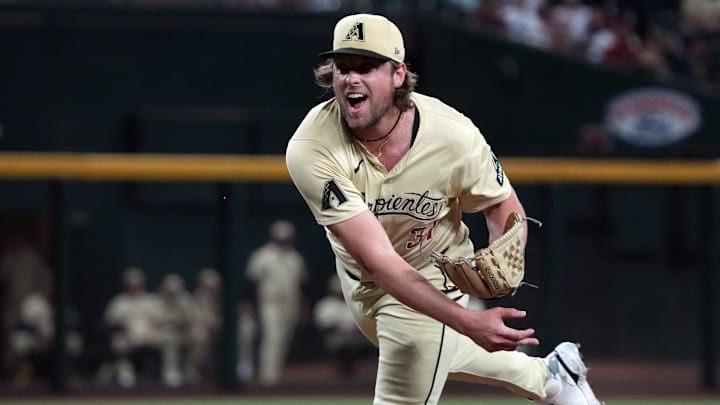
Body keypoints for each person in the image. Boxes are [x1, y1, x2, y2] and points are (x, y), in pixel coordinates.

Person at [285, 13, 603, 404]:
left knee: (410, 368)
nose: (352, 78)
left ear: (398, 74)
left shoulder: (452, 134)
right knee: (440, 350)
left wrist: (507, 250)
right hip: (362, 280)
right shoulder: (312, 146)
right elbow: (379, 262)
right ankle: (551, 376)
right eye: (343, 68)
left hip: (434, 272)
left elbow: (502, 204)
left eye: (366, 67)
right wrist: (469, 323)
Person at [245, 220, 308, 386]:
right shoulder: (263, 256)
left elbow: (301, 284)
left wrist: (302, 307)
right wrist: (250, 305)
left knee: (284, 339)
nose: (283, 240)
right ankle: (268, 377)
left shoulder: (295, 258)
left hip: (290, 302)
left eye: (286, 238)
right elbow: (252, 282)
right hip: (270, 302)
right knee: (272, 337)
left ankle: (276, 376)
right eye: (280, 237)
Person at [313, 275, 374, 377]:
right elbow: (324, 327)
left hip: (357, 338)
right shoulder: (326, 305)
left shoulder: (356, 303)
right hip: (335, 339)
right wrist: (342, 329)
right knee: (344, 345)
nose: (340, 292)